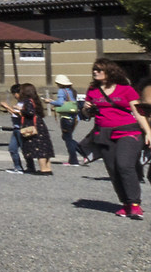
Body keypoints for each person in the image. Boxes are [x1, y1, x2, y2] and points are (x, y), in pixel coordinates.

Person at [83, 58, 145, 219]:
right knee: (113, 170)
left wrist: (148, 131)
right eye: (94, 69)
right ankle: (125, 203)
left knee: (124, 165)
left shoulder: (126, 89)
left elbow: (138, 111)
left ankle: (135, 204)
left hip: (128, 131)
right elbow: (86, 115)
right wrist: (86, 109)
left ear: (109, 71)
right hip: (104, 133)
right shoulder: (92, 90)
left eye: (99, 69)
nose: (95, 72)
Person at [5, 82, 53, 176]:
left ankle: (43, 169)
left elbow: (30, 112)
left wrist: (19, 109)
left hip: (32, 126)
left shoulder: (27, 101)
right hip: (39, 125)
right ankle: (47, 169)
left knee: (40, 149)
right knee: (44, 148)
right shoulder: (35, 100)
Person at [52, 74, 82, 165]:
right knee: (67, 137)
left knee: (68, 138)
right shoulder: (72, 91)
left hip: (65, 117)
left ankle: (74, 159)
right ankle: (83, 153)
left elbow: (60, 103)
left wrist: (50, 101)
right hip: (73, 117)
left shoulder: (61, 91)